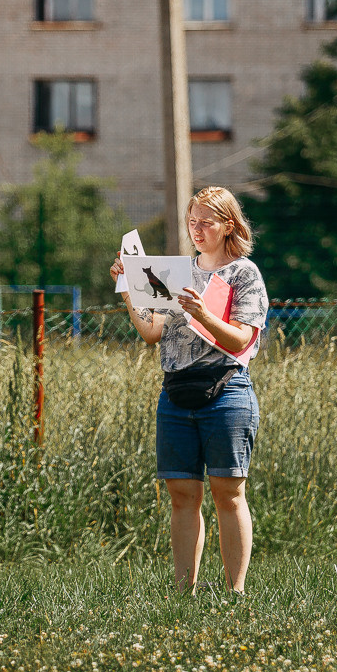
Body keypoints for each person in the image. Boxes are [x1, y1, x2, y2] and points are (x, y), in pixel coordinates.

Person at [111, 187, 269, 594]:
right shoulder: (176, 270)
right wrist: (129, 288)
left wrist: (201, 314)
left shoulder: (243, 274)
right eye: (192, 221)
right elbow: (151, 331)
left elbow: (241, 341)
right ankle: (184, 593)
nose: (197, 230)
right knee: (182, 493)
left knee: (228, 491)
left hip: (226, 389)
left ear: (228, 226)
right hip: (176, 391)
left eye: (207, 222)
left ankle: (235, 592)